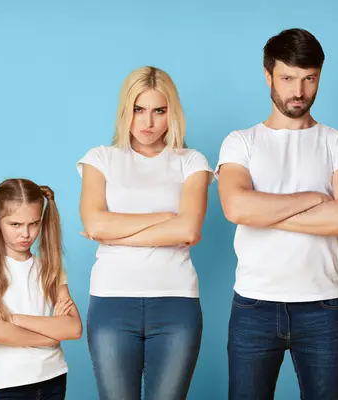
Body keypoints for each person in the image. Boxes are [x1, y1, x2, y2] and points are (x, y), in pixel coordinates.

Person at [215, 28, 338, 400]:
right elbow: (236, 206)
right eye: (287, 78)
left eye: (309, 79)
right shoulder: (241, 142)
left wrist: (263, 212)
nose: (298, 92)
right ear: (268, 75)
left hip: (323, 306)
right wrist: (315, 198)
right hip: (253, 304)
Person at [77, 66, 213, 400]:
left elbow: (188, 229)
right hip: (111, 301)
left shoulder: (191, 161)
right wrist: (165, 219)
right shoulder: (101, 159)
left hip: (176, 303)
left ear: (172, 114)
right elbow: (95, 223)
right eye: (139, 109)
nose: (148, 122)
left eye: (159, 111)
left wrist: (114, 232)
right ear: (126, 110)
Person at [0, 178, 82, 399]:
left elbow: (73, 328)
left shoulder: (50, 268)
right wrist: (50, 337)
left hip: (53, 376)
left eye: (34, 223)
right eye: (15, 225)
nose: (26, 234)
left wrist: (13, 319)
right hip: (11, 383)